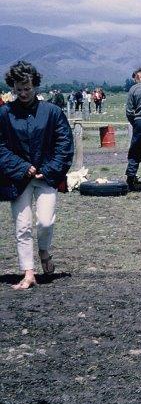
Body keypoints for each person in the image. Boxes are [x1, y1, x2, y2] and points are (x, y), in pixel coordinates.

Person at [0, 62, 73, 290]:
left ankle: (44, 250)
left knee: (45, 221)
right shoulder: (4, 113)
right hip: (16, 178)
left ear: (36, 86)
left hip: (46, 178)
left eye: (27, 89)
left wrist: (48, 169)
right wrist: (22, 167)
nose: (22, 94)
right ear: (12, 87)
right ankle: (28, 272)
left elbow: (64, 145)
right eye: (18, 89)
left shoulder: (53, 112)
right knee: (22, 226)